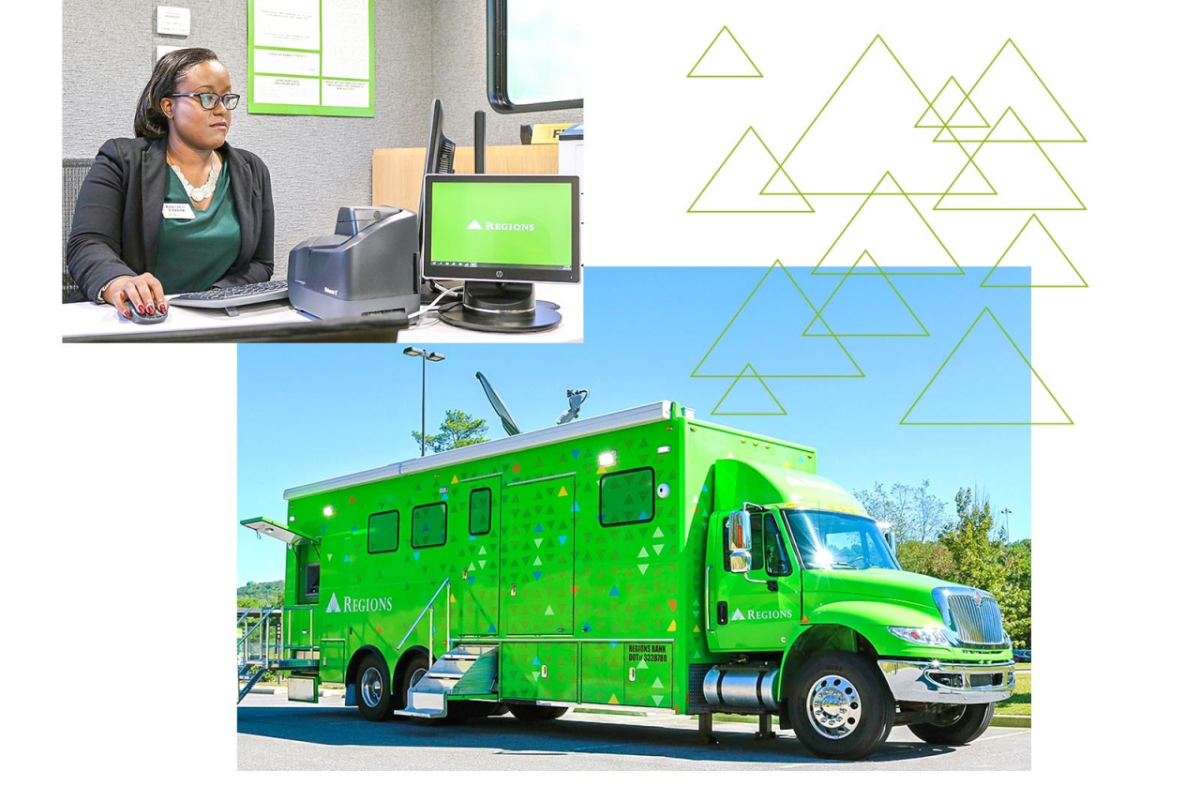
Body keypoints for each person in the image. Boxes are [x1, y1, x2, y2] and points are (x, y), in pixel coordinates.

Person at [66, 48, 274, 314]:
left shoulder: (251, 170)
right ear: (168, 106)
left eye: (226, 98)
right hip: (136, 319)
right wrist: (120, 282)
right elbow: (88, 243)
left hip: (216, 320)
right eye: (208, 97)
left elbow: (260, 263)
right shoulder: (122, 159)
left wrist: (214, 298)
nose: (222, 110)